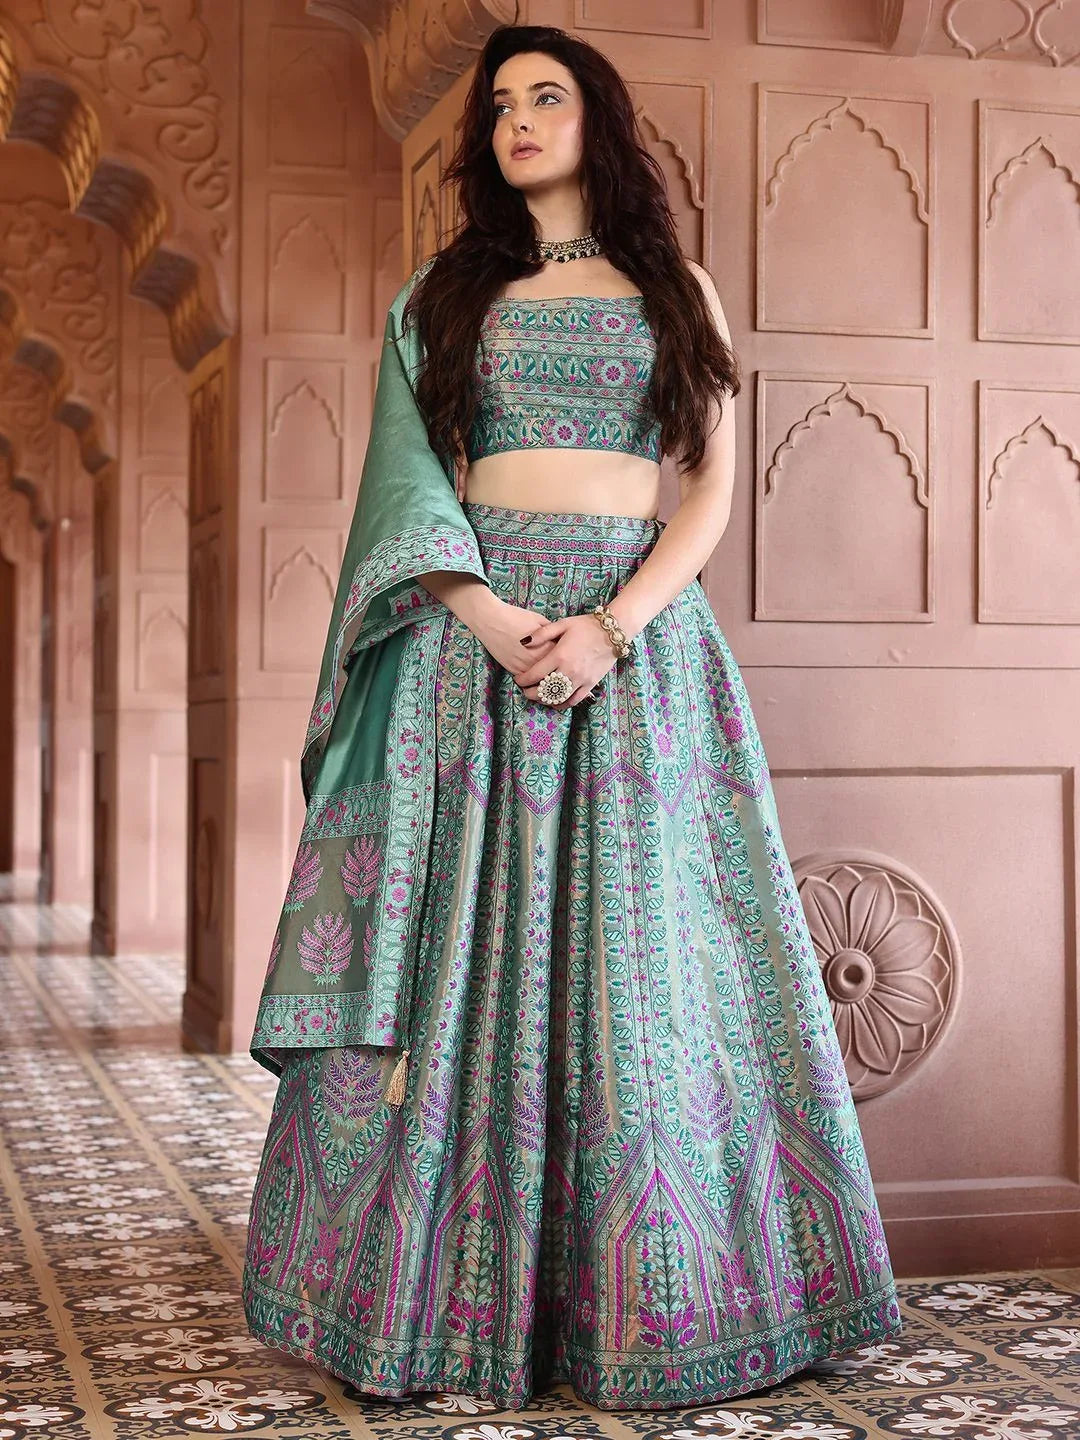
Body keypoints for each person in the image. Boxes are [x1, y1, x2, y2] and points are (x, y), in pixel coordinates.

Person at [241, 21, 902, 1414]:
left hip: (637, 649)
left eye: (548, 98)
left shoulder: (681, 292)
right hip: (471, 645)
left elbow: (707, 494)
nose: (521, 121)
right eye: (501, 108)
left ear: (597, 118)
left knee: (649, 961)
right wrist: (487, 618)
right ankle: (441, 1312)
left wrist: (611, 627)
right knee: (457, 962)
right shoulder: (441, 295)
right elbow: (410, 489)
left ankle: (653, 1305)